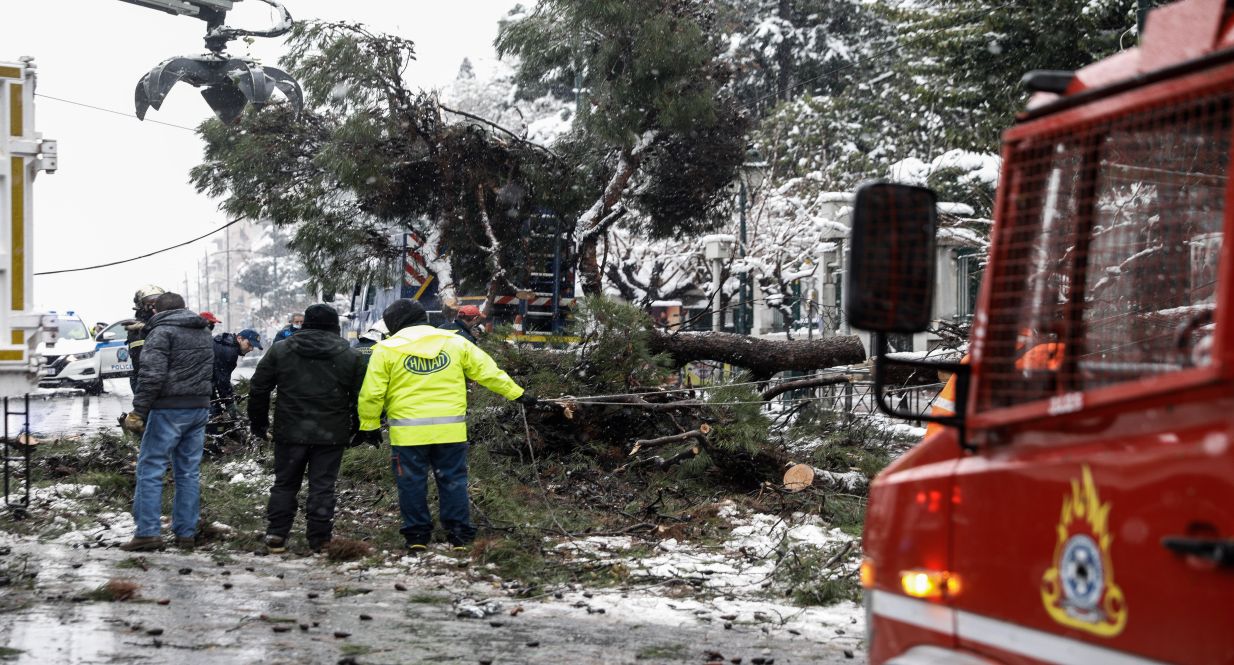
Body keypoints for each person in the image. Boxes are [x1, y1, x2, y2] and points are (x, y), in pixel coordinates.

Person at [358, 299, 536, 554]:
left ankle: (417, 536)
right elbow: (488, 372)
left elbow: (372, 393)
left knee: (412, 484)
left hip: (408, 435)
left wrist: (369, 425)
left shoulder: (386, 349)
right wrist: (518, 394)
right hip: (450, 431)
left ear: (395, 322)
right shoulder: (455, 342)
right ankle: (459, 535)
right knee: (453, 481)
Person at [248, 304, 365, 554]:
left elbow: (259, 388)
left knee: (285, 484)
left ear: (304, 324)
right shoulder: (350, 354)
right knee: (323, 486)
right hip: (331, 432)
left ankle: (277, 534)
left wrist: (258, 423)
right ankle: (320, 539)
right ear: (335, 326)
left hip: (290, 430)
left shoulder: (281, 350)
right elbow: (361, 397)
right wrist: (361, 427)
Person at [119, 293, 213, 551]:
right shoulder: (202, 330)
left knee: (150, 470)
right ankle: (186, 533)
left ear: (156, 312)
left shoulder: (160, 333)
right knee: (188, 473)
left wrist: (138, 411)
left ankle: (148, 533)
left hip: (168, 409)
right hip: (198, 408)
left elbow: (151, 375)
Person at [211, 328, 262, 419]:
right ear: (239, 338)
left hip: (199, 383)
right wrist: (229, 402)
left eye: (253, 346)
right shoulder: (229, 351)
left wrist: (230, 394)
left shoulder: (226, 344)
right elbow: (221, 380)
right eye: (249, 344)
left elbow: (221, 376)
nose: (251, 349)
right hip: (196, 386)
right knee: (215, 418)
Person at [124, 284, 165, 393]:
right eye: (149, 302)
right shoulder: (136, 330)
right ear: (140, 305)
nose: (154, 305)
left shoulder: (175, 320)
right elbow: (142, 364)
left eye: (158, 301)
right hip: (151, 386)